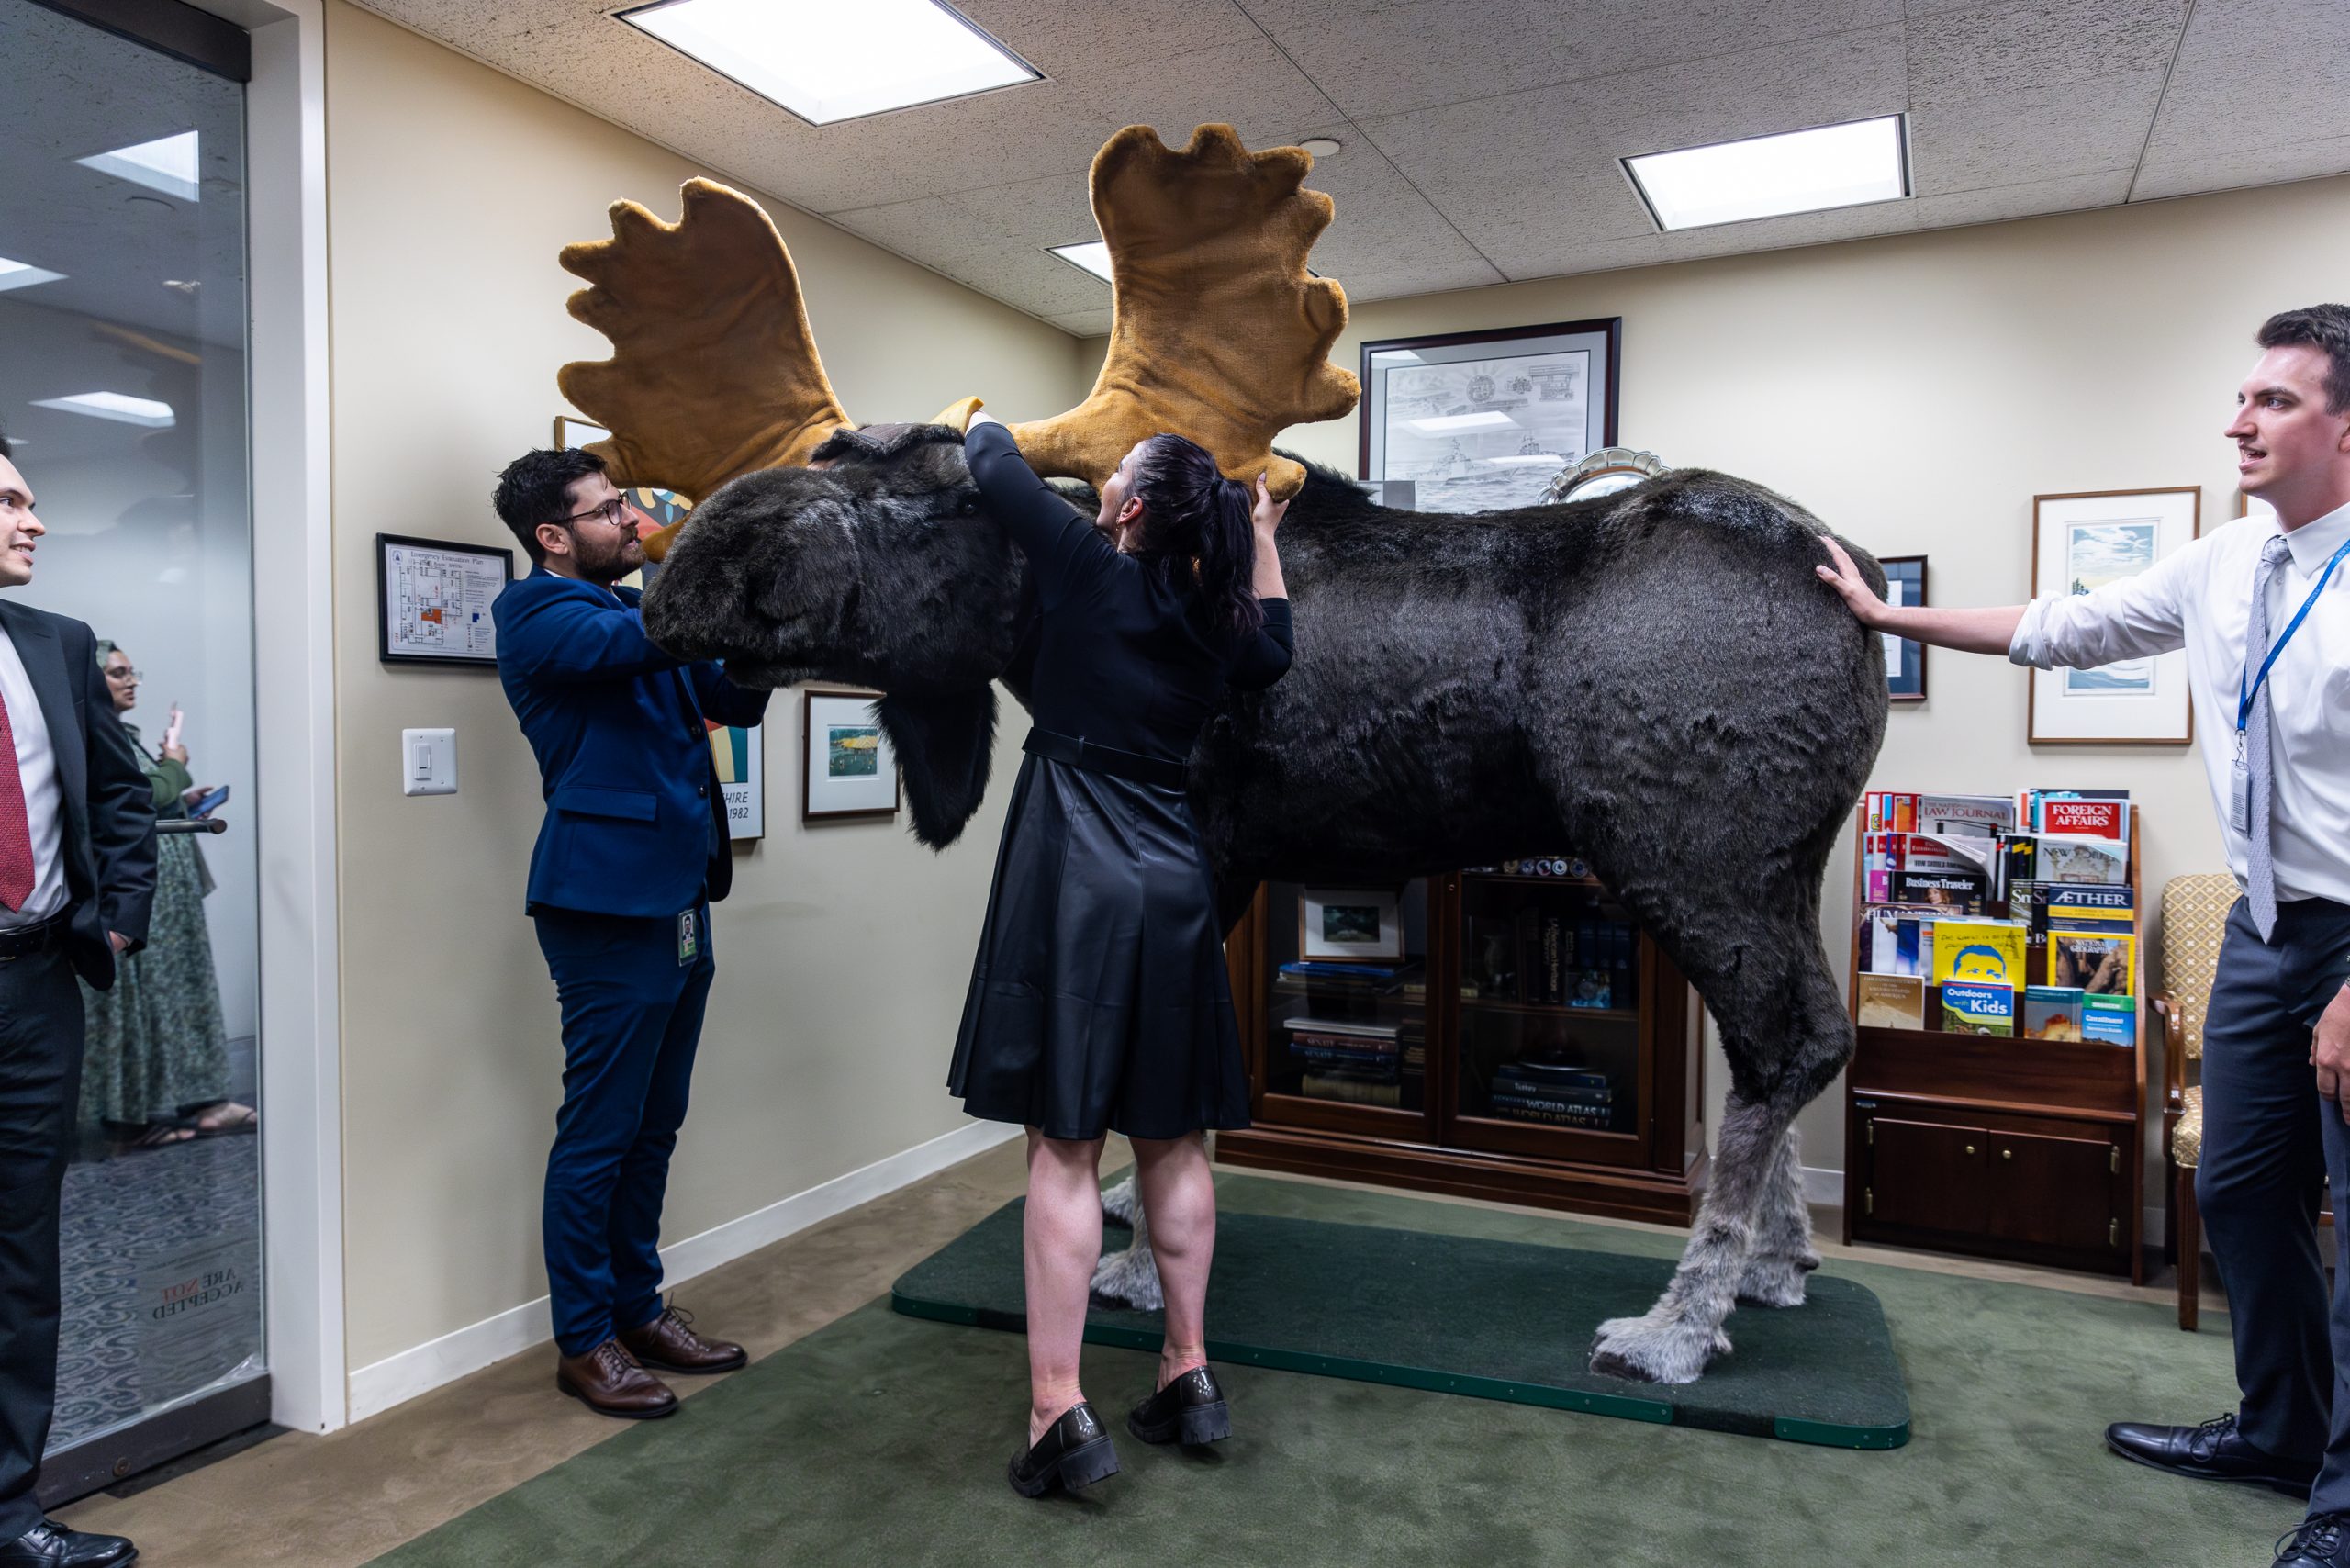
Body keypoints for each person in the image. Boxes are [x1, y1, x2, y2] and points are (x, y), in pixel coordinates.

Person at [1816, 305, 2350, 1568]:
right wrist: (1889, 621)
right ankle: (2281, 1431)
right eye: (2242, 397)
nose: (2239, 421)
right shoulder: (2228, 563)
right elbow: (2067, 628)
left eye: (2274, 401)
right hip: (2269, 933)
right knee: (2237, 1187)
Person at [944, 403, 1295, 1497]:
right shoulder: (1219, 618)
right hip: (1173, 874)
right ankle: (1187, 1374)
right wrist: (1265, 530)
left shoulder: (1089, 566)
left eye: (1114, 484)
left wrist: (989, 416)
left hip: (1075, 872)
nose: (1101, 495)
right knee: (1172, 1139)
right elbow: (1277, 650)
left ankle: (1060, 1408)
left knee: (1063, 1144)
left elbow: (991, 459)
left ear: (1130, 508)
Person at [491, 446, 769, 1421]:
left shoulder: (625, 612)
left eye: (627, 506)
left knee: (655, 1123)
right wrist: (715, 557)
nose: (632, 522)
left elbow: (728, 696)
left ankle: (639, 1310)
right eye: (611, 511)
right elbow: (651, 643)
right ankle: (585, 1340)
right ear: (552, 537)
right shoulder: (537, 617)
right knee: (600, 1131)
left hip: (679, 895)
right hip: (603, 905)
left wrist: (770, 632)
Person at [0, 424, 157, 1568]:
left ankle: (10, 1513)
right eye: (11, 501)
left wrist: (115, 915)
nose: (35, 520)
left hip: (33, 990)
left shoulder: (56, 643)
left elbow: (122, 791)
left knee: (21, 1258)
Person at [76, 644, 246, 1153]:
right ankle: (133, 1117)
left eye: (133, 672)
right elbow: (140, 795)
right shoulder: (90, 733)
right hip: (138, 892)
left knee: (178, 995)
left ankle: (202, 1102)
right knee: (139, 1004)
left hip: (169, 894)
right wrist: (176, 767)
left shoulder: (121, 735)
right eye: (117, 673)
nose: (130, 681)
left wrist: (182, 796)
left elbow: (142, 797)